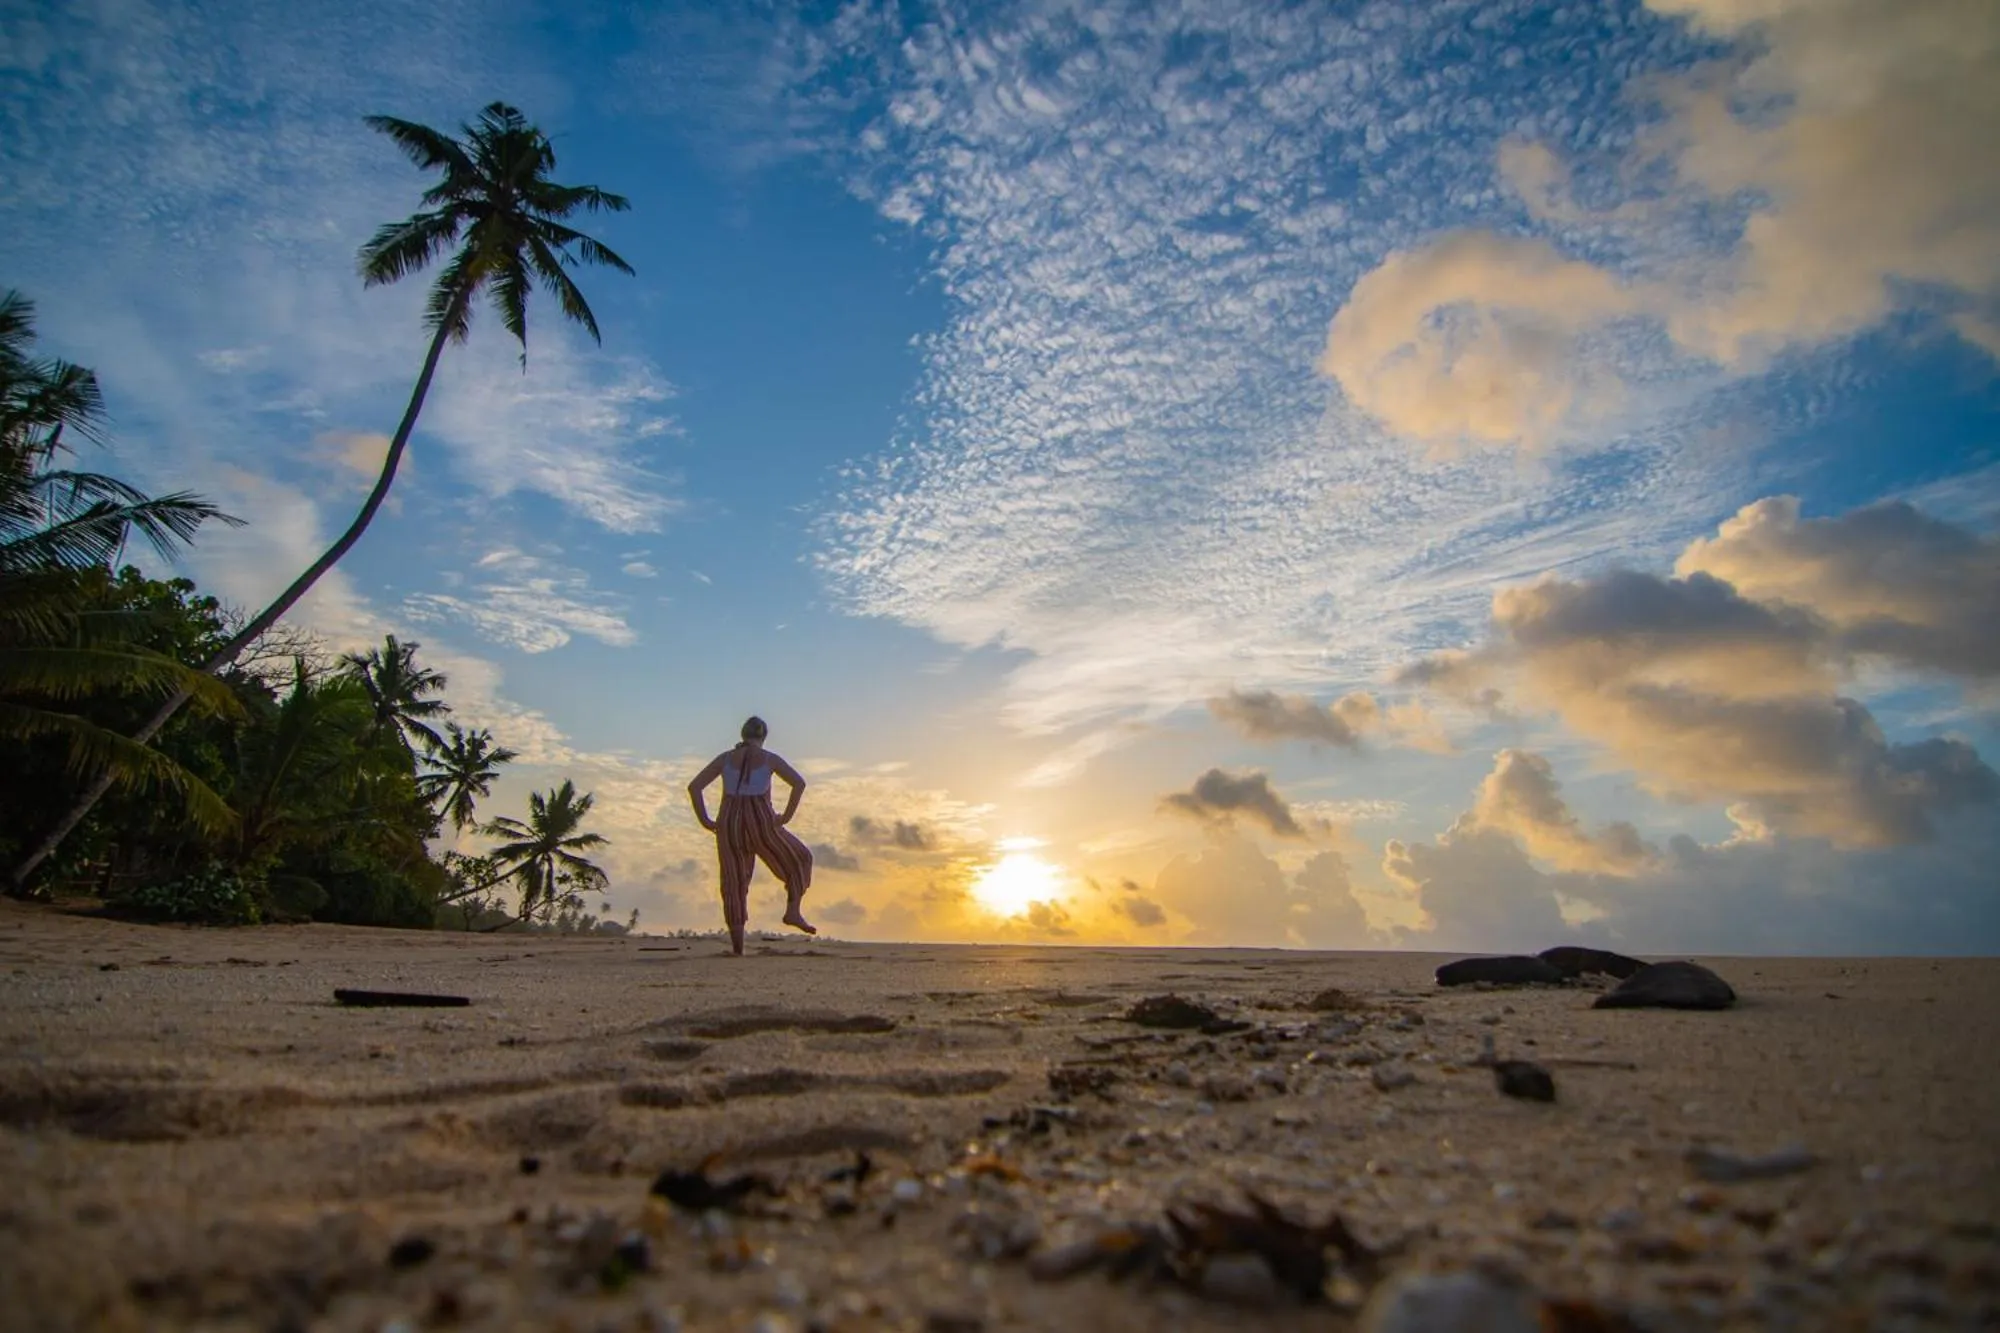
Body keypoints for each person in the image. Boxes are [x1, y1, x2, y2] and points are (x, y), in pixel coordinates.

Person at [687, 716, 815, 955]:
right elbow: (798, 783)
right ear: (763, 737)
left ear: (742, 734)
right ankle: (793, 910)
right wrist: (785, 816)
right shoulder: (769, 759)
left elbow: (695, 787)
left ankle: (738, 949)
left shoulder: (725, 758)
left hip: (729, 822)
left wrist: (705, 819)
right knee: (800, 858)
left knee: (733, 883)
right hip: (760, 820)